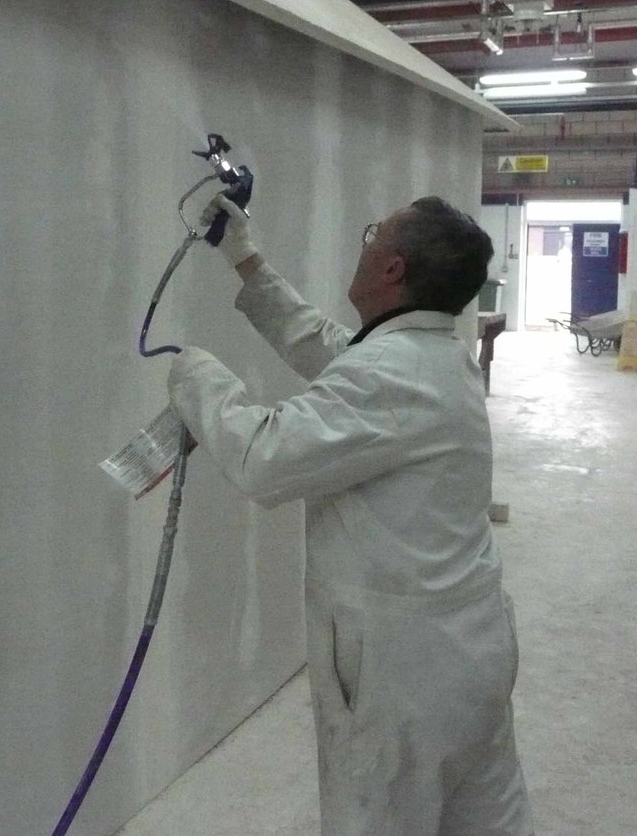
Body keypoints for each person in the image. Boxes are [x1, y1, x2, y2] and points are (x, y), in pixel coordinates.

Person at [167, 193, 534, 836]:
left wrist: (195, 376)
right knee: (485, 819)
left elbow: (262, 458)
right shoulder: (435, 356)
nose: (362, 246)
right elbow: (335, 350)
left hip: (403, 677)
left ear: (392, 269)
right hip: (469, 650)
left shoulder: (390, 376)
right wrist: (246, 259)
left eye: (373, 237)